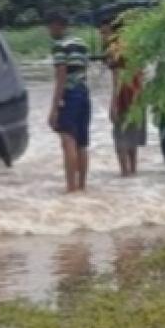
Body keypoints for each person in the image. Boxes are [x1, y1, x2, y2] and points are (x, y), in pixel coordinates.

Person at [46, 10, 91, 193]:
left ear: (57, 25)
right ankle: (82, 186)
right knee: (82, 142)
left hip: (69, 95)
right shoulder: (81, 44)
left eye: (50, 27)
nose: (49, 31)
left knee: (68, 140)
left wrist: (55, 107)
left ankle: (71, 187)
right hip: (84, 93)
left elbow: (61, 76)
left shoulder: (59, 46)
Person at [101, 19, 146, 177]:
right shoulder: (135, 46)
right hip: (138, 94)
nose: (102, 37)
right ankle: (133, 171)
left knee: (120, 136)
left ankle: (124, 173)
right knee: (132, 135)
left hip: (124, 96)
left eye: (105, 32)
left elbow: (117, 78)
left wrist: (113, 103)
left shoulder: (114, 49)